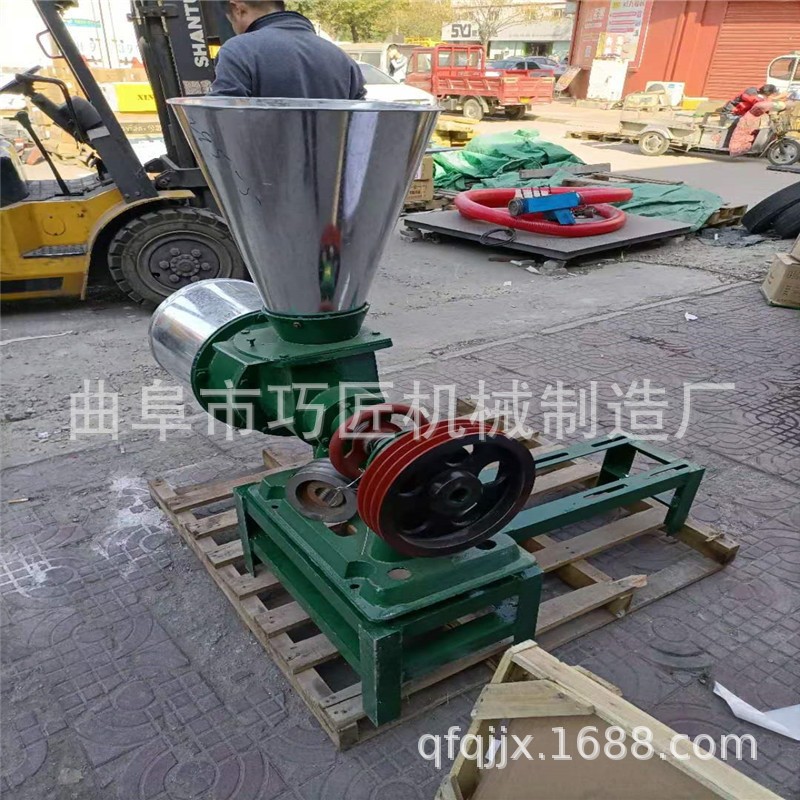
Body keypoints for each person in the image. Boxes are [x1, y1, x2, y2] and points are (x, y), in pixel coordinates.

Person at [211, 0, 365, 99]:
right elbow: (361, 126)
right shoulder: (343, 59)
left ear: (238, 9)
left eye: (231, 21)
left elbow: (221, 121)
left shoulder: (237, 51)